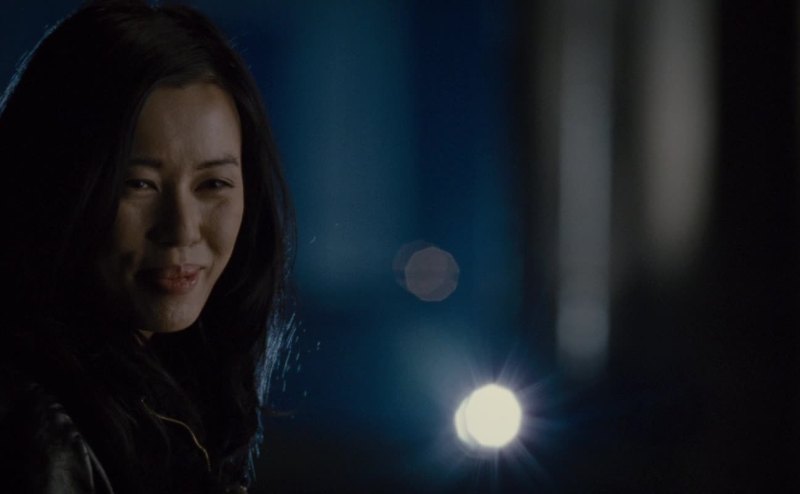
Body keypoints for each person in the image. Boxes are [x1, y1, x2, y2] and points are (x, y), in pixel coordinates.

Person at [0, 1, 294, 492]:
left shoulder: (173, 394)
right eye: (138, 184)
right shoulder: (37, 433)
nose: (182, 230)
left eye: (213, 184)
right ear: (54, 186)